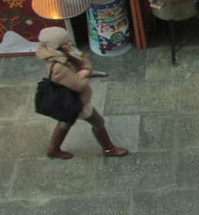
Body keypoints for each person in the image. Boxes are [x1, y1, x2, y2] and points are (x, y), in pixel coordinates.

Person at [35, 27, 129, 160]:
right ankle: (109, 148)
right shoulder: (59, 67)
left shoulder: (64, 53)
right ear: (57, 47)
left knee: (66, 121)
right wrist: (86, 72)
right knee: (98, 122)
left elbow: (83, 59)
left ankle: (53, 149)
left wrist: (86, 69)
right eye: (65, 43)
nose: (70, 44)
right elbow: (80, 85)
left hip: (69, 101)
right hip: (77, 100)